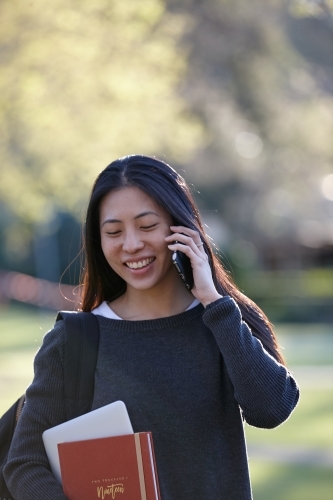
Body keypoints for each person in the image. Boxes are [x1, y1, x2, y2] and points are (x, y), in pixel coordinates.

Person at [4, 154, 299, 500]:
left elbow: (271, 409)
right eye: (114, 232)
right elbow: (24, 462)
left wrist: (213, 301)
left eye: (146, 226)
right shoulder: (75, 340)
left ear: (181, 227)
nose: (131, 245)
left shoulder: (222, 321)